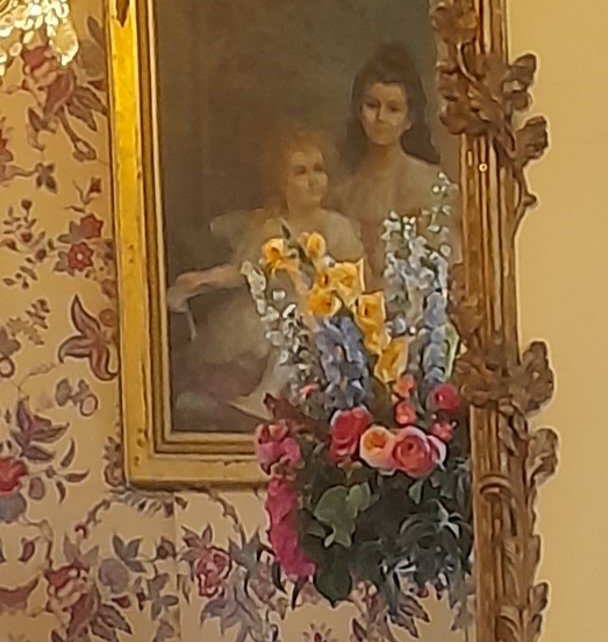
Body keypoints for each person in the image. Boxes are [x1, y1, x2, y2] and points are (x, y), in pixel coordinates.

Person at [167, 128, 363, 433]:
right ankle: (260, 401)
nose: (313, 180)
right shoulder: (272, 228)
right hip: (276, 312)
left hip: (327, 313)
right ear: (281, 183)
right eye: (300, 172)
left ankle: (273, 400)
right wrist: (203, 280)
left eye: (318, 170)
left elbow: (357, 279)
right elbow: (243, 271)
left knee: (305, 329)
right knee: (280, 330)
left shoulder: (338, 227)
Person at [336, 42, 452, 277]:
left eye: (393, 109)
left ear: (409, 119)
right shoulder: (345, 194)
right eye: (372, 106)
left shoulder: (430, 184)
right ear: (359, 111)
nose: (380, 117)